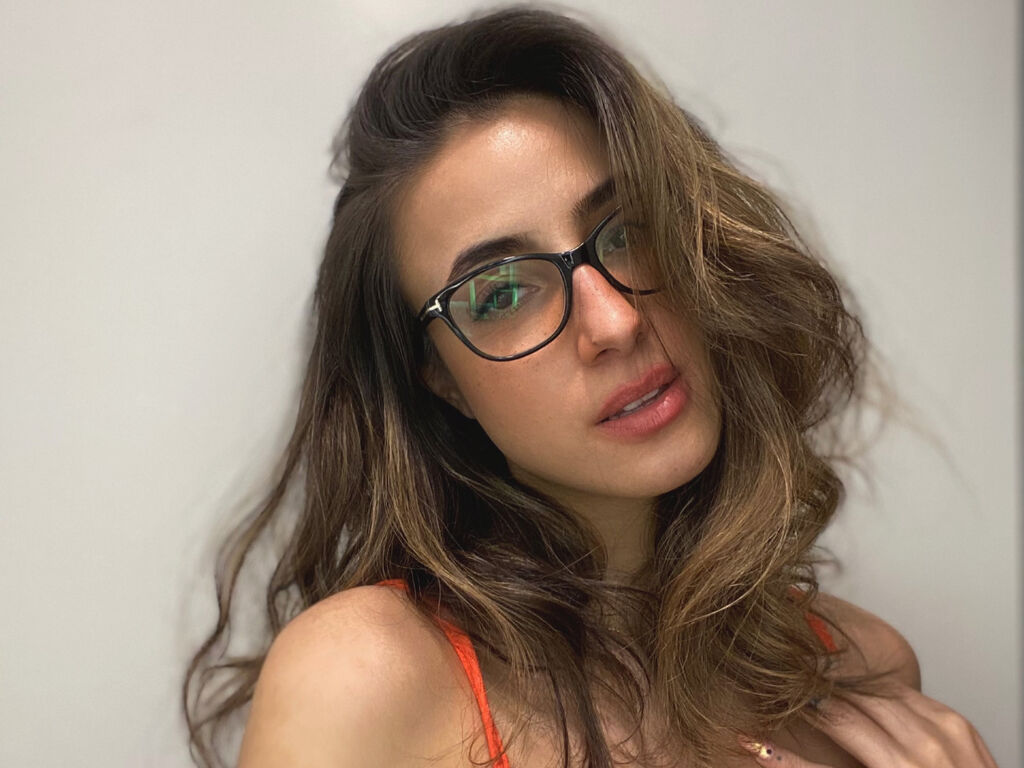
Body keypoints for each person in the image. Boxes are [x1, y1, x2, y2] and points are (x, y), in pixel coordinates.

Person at [182, 8, 999, 768]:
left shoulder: (856, 671)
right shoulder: (364, 679)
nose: (614, 320)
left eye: (630, 229)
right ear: (438, 378)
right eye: (502, 292)